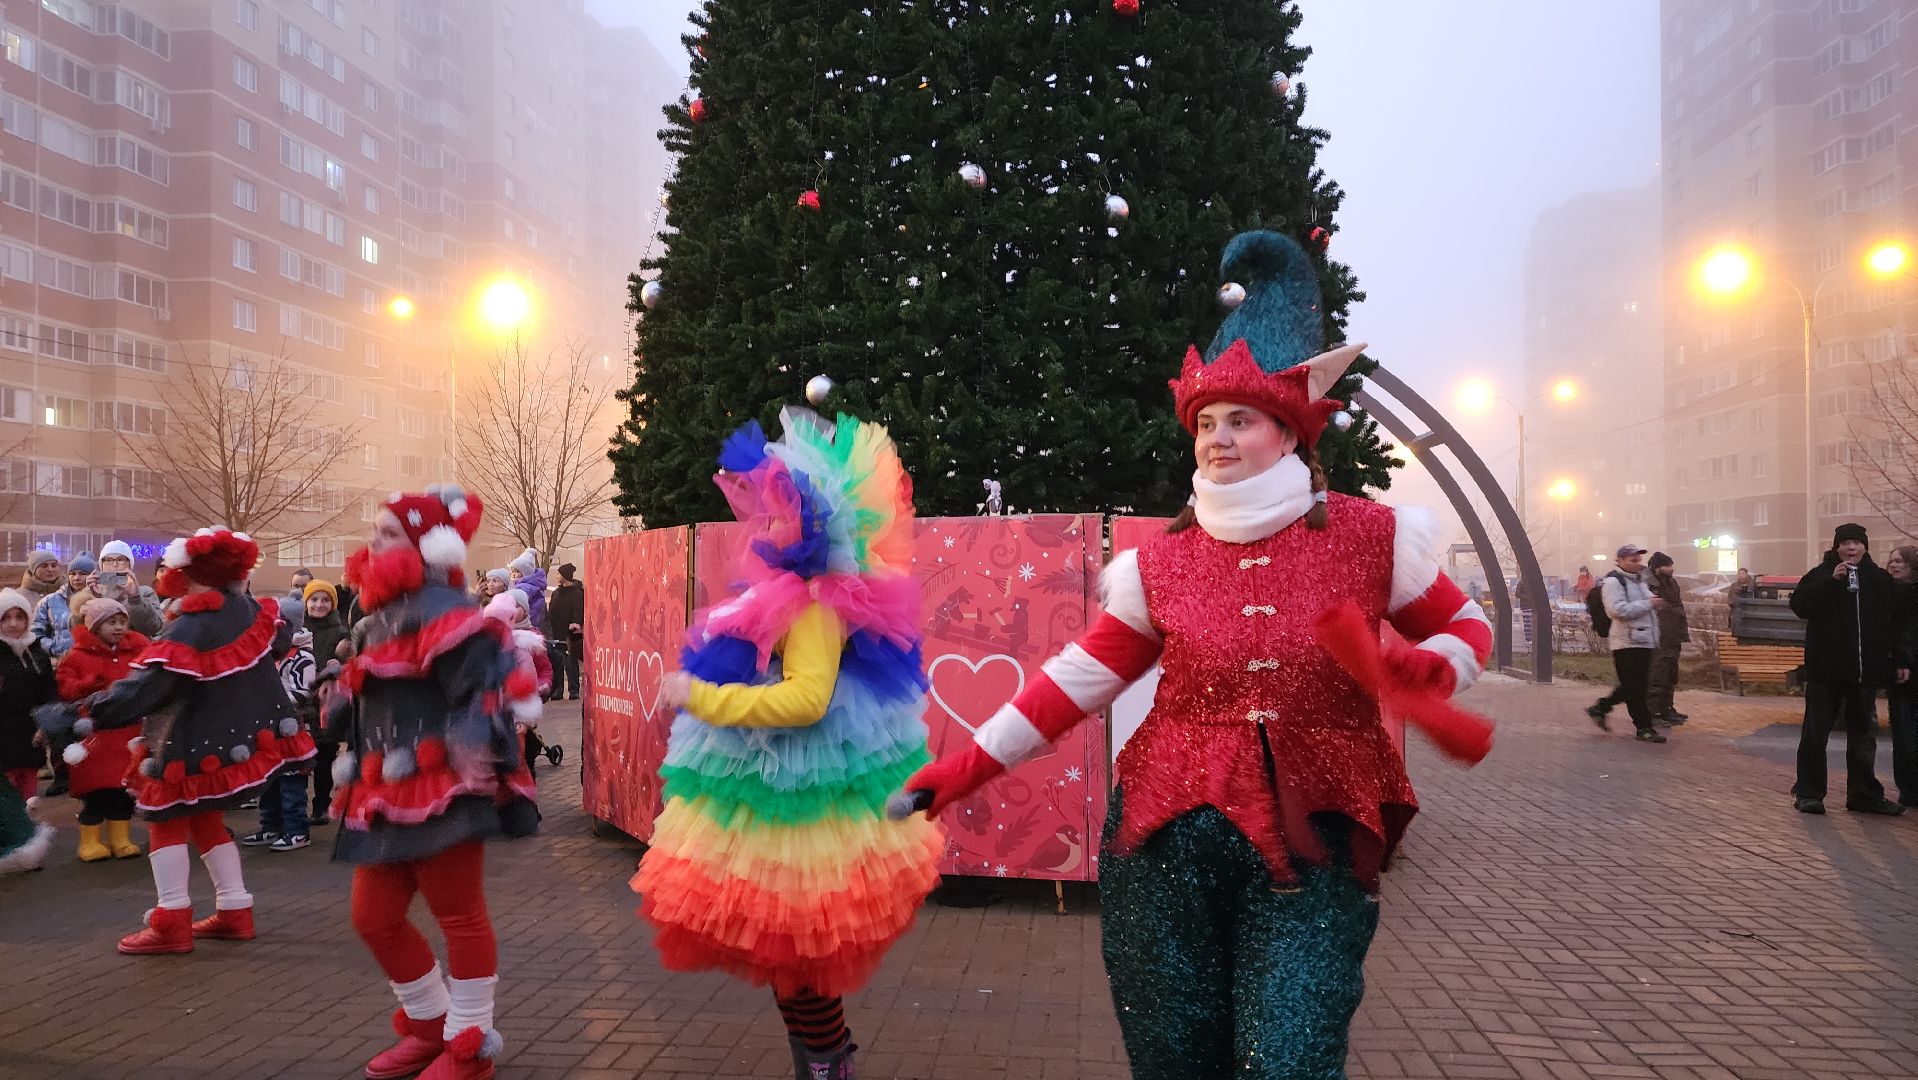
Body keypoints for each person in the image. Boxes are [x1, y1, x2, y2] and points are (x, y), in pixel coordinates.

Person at [896, 231, 1495, 1080]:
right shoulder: (1159, 564)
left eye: (1239, 420)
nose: (1216, 438)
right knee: (1175, 1058)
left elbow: (1468, 627)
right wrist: (964, 770)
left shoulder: (1373, 538)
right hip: (1162, 845)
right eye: (1205, 423)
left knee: (1288, 1057)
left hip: (1315, 846)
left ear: (1287, 434)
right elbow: (1081, 679)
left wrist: (1433, 671)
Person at [637, 406, 943, 1080]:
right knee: (786, 956)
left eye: (781, 514)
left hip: (800, 802)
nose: (765, 525)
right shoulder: (787, 592)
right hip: (774, 789)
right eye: (765, 513)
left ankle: (829, 1063)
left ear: (816, 524)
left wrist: (701, 699)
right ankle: (823, 1061)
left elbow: (806, 702)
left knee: (800, 955)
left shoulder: (814, 603)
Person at [327, 486, 539, 1080]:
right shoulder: (373, 621)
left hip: (443, 787)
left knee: (459, 914)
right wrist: (337, 697)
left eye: (389, 534)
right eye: (376, 531)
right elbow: (364, 701)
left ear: (426, 547)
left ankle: (469, 1047)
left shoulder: (450, 617)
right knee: (374, 917)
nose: (374, 543)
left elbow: (481, 692)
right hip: (382, 792)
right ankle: (430, 1026)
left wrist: (474, 745)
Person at [36, 529, 313, 954]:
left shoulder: (193, 625)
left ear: (191, 571)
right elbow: (273, 643)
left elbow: (147, 687)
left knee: (164, 820)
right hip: (227, 738)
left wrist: (83, 712)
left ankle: (172, 921)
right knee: (205, 819)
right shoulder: (247, 609)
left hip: (184, 741)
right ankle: (235, 909)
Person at [1789, 523, 1904, 816]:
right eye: (1845, 543)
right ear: (1836, 547)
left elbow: (1896, 623)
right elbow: (1800, 605)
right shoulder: (1821, 575)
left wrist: (1899, 660)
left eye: (1856, 543)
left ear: (1865, 546)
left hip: (1863, 674)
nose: (1851, 548)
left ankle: (1863, 794)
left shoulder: (1878, 580)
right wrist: (1832, 581)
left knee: (1863, 736)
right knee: (1816, 734)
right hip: (1825, 673)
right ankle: (1809, 793)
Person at [53, 599, 149, 862]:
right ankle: (90, 840)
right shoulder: (77, 655)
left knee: (123, 789)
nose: (118, 628)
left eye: (122, 622)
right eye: (111, 622)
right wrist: (86, 684)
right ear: (94, 626)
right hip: (94, 734)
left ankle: (120, 837)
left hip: (128, 730)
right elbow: (65, 687)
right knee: (95, 791)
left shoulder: (136, 651)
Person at [242, 599, 316, 852]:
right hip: (268, 731)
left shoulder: (302, 657)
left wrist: (273, 703)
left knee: (291, 783)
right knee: (269, 781)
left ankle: (297, 830)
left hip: (291, 730)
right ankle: (271, 826)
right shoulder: (268, 657)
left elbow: (303, 692)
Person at [1584, 545, 1667, 743]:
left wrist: (1653, 602)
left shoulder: (1639, 581)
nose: (1637, 564)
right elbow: (1616, 610)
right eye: (1632, 560)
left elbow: (1647, 602)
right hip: (1626, 642)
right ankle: (1643, 728)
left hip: (1643, 640)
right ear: (1620, 560)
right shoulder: (1614, 582)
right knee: (1635, 688)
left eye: (1638, 560)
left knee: (1635, 686)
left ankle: (1601, 707)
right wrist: (1649, 604)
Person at [483, 591, 551, 773]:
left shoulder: (529, 642)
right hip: (498, 710)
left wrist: (544, 685)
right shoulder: (487, 645)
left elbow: (542, 669)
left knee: (522, 758)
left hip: (521, 709)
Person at [0, 589, 56, 802]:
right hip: (3, 733)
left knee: (28, 788)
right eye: (6, 618)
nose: (13, 623)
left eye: (20, 617)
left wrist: (46, 723)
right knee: (7, 790)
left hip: (31, 731)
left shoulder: (36, 650)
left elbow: (48, 687)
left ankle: (29, 831)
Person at [304, 579, 350, 825]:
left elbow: (342, 664)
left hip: (325, 701)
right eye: (314, 599)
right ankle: (294, 810)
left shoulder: (340, 632)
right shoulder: (298, 629)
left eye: (325, 600)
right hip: (300, 702)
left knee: (324, 754)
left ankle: (321, 804)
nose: (319, 604)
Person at [70, 541, 164, 639]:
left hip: (135, 651)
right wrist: (89, 597)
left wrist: (135, 599)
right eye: (108, 560)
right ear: (101, 565)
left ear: (129, 564)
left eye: (120, 560)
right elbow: (75, 628)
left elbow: (154, 628)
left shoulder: (144, 592)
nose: (114, 564)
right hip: (100, 651)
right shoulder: (92, 591)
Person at [1886, 545, 1918, 808]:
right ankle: (1908, 789)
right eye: (1891, 561)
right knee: (1904, 734)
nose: (1894, 566)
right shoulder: (1888, 593)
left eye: (1900, 562)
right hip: (1901, 673)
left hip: (1909, 668)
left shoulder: (1907, 596)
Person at [1646, 552, 1690, 727]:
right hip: (1659, 636)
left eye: (1672, 565)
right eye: (1668, 565)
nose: (1672, 568)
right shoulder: (1649, 584)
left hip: (1673, 635)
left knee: (1671, 674)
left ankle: (1666, 708)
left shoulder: (1671, 583)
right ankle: (1653, 712)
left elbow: (1677, 606)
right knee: (1658, 674)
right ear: (1657, 567)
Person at [30, 551, 95, 658]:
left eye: (83, 573)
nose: (76, 578)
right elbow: (35, 633)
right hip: (60, 663)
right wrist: (55, 648)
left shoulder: (101, 601)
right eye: (73, 574)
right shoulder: (49, 601)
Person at [547, 563, 585, 701]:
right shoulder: (556, 593)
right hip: (557, 631)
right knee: (557, 661)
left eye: (558, 574)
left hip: (571, 632)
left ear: (565, 576)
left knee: (570, 661)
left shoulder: (577, 592)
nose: (556, 576)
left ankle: (573, 689)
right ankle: (558, 689)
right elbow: (551, 611)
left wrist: (576, 623)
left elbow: (579, 610)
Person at [507, 548, 547, 631]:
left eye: (517, 571)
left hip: (524, 625)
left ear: (526, 572)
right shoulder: (532, 585)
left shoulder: (525, 587)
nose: (513, 574)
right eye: (512, 571)